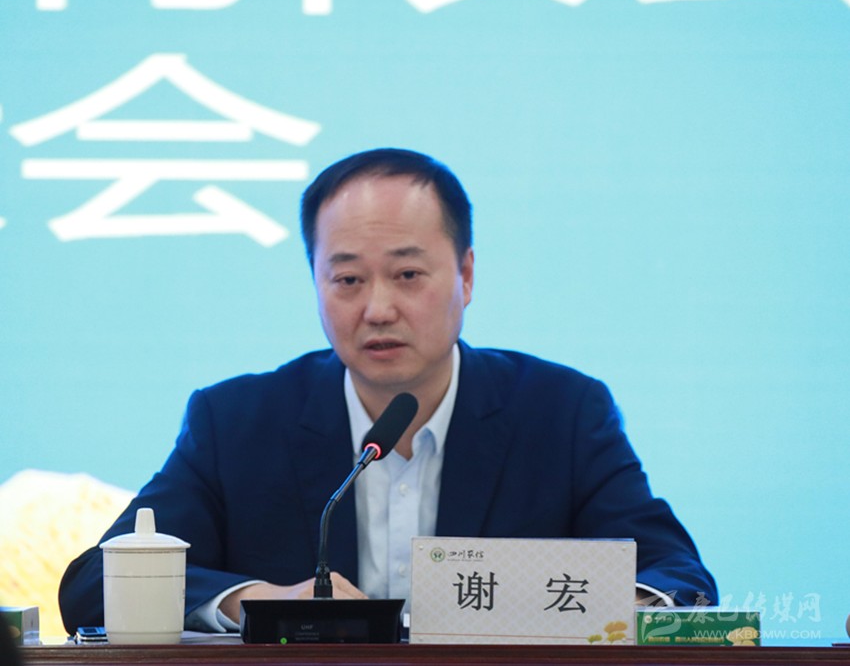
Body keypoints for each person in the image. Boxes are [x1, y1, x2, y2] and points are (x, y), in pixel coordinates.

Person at [59, 148, 717, 634]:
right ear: (315, 282)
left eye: (407, 274)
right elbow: (93, 583)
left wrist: (588, 606)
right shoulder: (236, 421)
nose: (378, 309)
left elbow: (678, 578)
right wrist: (259, 601)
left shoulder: (561, 413)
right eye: (347, 280)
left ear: (465, 275)